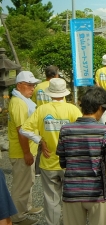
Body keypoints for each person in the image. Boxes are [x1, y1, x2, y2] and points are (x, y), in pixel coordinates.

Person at [20, 78, 82, 225]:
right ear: (64, 93)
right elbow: (81, 132)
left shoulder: (42, 109)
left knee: (51, 199)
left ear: (50, 93)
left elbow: (24, 129)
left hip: (48, 162)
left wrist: (39, 139)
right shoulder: (72, 109)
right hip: (69, 163)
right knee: (71, 199)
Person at [56, 87, 106, 225]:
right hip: (98, 193)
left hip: (72, 191)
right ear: (100, 108)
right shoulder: (104, 131)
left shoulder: (66, 130)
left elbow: (63, 162)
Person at [8, 71, 43, 225]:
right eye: (29, 85)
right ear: (19, 85)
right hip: (22, 151)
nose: (32, 88)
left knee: (28, 182)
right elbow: (21, 131)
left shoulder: (22, 100)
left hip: (27, 149)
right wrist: (27, 152)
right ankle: (17, 217)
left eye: (33, 85)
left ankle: (26, 207)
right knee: (21, 186)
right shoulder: (19, 103)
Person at [31, 65, 60, 177]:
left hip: (40, 117)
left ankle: (38, 169)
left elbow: (34, 102)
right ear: (55, 75)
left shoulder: (38, 87)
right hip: (54, 117)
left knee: (40, 142)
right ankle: (55, 165)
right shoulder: (57, 86)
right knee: (54, 140)